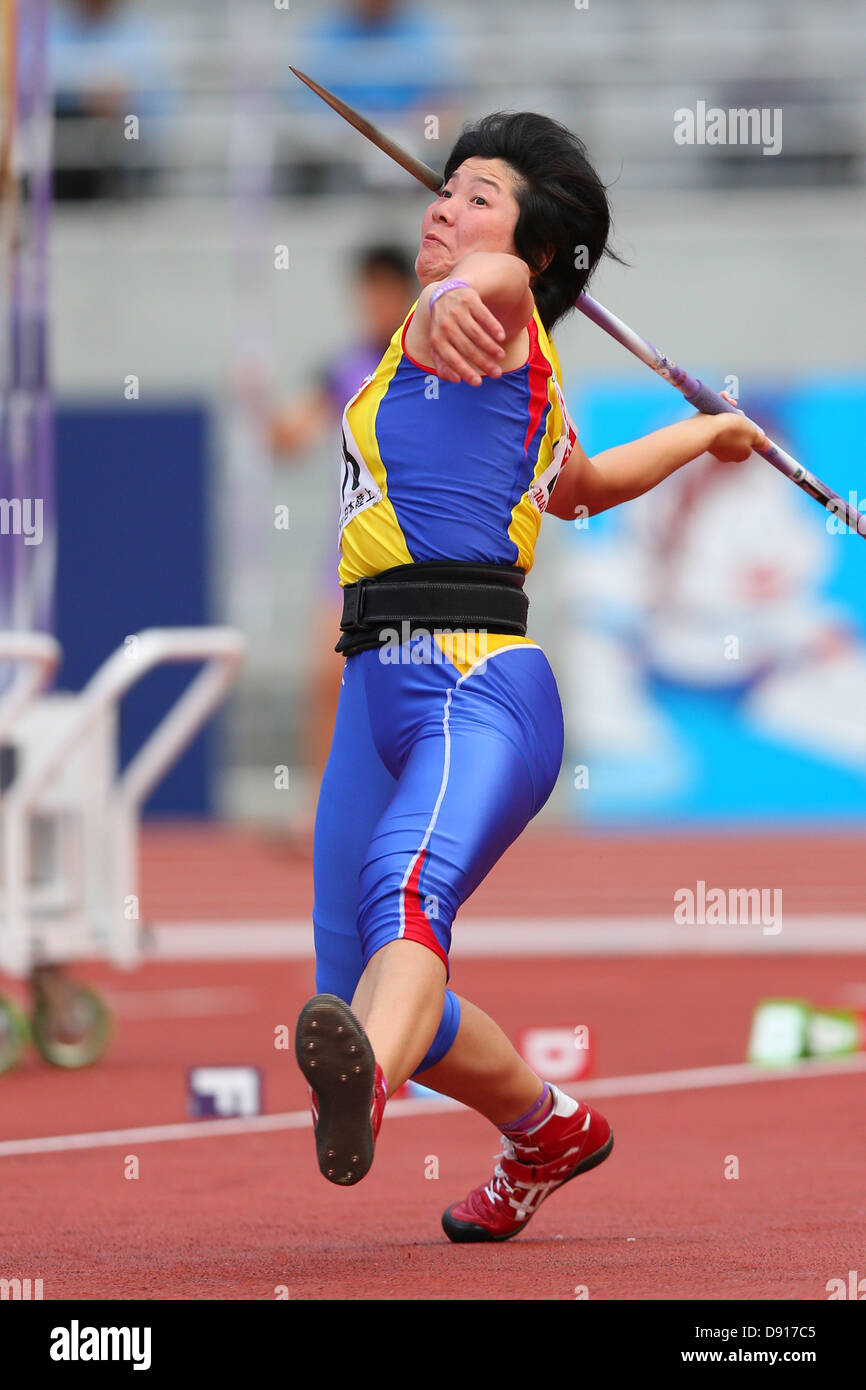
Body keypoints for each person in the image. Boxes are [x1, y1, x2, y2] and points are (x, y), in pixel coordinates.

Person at [294, 111, 767, 1242]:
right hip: (375, 691)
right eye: (442, 190)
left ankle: (381, 1076)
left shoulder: (486, 321)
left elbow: (500, 282)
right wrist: (701, 436)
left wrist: (489, 278)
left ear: (536, 252)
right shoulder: (482, 348)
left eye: (476, 197)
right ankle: (544, 1125)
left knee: (403, 906)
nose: (443, 208)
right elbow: (583, 487)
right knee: (349, 979)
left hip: (472, 682)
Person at [266, 246, 416, 842]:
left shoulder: (426, 359)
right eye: (365, 292)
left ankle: (406, 814)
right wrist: (256, 398)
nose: (372, 303)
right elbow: (288, 440)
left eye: (383, 291)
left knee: (407, 686)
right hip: (347, 554)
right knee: (326, 680)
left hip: (413, 554)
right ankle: (317, 810)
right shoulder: (340, 367)